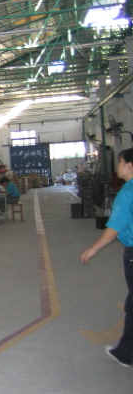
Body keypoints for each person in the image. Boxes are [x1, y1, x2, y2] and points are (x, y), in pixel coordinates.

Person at [80, 147, 133, 367]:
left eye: (119, 162)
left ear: (129, 165)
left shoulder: (128, 192)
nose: (116, 167)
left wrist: (93, 249)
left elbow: (114, 228)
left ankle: (126, 354)